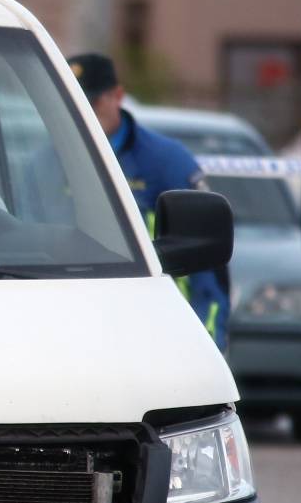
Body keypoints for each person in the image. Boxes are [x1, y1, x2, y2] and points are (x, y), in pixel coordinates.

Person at [68, 53, 230, 351]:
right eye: (71, 104)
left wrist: (206, 345)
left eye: (90, 102)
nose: (82, 114)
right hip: (75, 322)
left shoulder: (166, 161)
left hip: (160, 321)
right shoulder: (45, 162)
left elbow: (207, 268)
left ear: (118, 96)